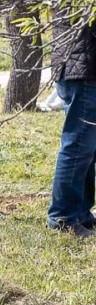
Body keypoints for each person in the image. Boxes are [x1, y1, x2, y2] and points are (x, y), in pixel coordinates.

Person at [47, 13, 96, 237]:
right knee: (78, 146)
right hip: (83, 67)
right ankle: (64, 217)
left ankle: (80, 214)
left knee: (86, 149)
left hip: (80, 65)